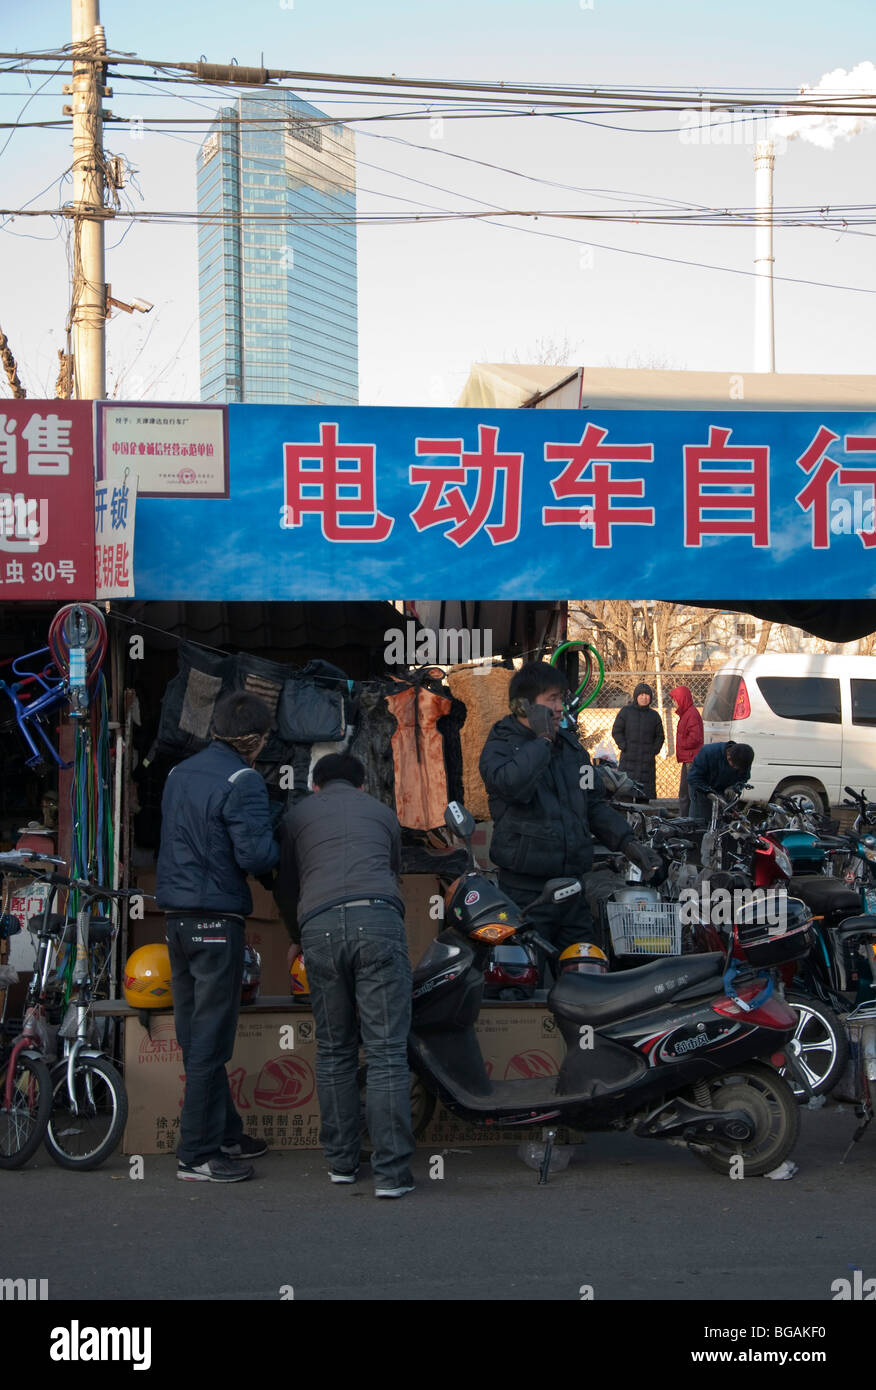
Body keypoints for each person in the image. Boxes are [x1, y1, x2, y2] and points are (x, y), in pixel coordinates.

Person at [273, 752, 415, 1199]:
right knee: (386, 1051)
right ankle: (392, 1175)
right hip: (378, 921)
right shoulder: (382, 813)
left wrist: (297, 935)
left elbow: (286, 885)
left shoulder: (297, 816)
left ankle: (341, 1163)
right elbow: (393, 872)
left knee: (335, 1049)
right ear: (362, 786)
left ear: (315, 786)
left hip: (320, 926)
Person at [156, 692, 279, 1183]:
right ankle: (197, 1155)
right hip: (215, 920)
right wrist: (277, 838)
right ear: (256, 739)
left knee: (194, 1034)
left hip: (177, 919)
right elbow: (255, 857)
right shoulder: (242, 779)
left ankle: (227, 1133)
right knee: (210, 1038)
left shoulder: (177, 774)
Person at [478, 662, 661, 963]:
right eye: (552, 699)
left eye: (561, 698)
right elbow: (512, 786)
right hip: (527, 893)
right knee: (525, 981)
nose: (561, 707)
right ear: (524, 706)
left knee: (586, 973)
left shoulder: (572, 750)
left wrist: (630, 844)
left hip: (573, 888)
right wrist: (542, 741)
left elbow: (593, 805)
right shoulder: (500, 745)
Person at [611, 683, 665, 802]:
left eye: (647, 695)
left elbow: (660, 736)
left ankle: (643, 820)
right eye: (641, 695)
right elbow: (616, 731)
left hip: (647, 763)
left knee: (644, 799)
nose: (644, 697)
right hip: (628, 760)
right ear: (636, 696)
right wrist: (623, 745)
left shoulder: (654, 716)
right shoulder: (625, 712)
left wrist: (654, 751)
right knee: (625, 797)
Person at [687, 740, 755, 825]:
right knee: (699, 824)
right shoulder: (708, 753)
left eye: (738, 769)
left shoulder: (744, 759)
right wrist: (708, 793)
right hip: (701, 790)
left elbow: (744, 777)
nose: (735, 769)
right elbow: (693, 777)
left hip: (723, 793)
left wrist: (734, 787)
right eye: (734, 766)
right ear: (728, 756)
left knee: (722, 825)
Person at [669, 685, 704, 818]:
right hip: (688, 758)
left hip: (691, 759)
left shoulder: (691, 714)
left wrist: (682, 744)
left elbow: (695, 738)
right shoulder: (687, 714)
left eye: (675, 700)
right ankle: (684, 818)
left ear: (682, 699)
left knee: (689, 794)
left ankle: (689, 820)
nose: (674, 703)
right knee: (684, 794)